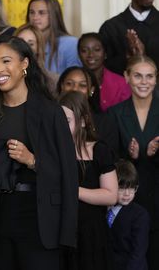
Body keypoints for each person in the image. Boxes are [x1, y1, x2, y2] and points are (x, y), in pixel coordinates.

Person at [0, 36, 78, 270]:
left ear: (24, 64)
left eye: (5, 61)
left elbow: (68, 174)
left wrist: (32, 160)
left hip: (39, 219)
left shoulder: (50, 112)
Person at [108, 55, 159, 269]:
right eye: (138, 76)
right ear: (126, 77)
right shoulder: (114, 113)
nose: (144, 82)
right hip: (128, 203)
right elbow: (108, 159)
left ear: (156, 80)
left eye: (149, 76)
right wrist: (131, 156)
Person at [58, 91, 118, 270]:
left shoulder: (99, 151)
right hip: (61, 231)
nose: (60, 126)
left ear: (83, 120)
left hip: (92, 234)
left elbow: (110, 195)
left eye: (66, 121)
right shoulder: (54, 151)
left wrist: (73, 190)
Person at [57, 66, 119, 154]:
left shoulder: (106, 123)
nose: (74, 89)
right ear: (61, 86)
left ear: (92, 90)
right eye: (69, 84)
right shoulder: (50, 118)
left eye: (82, 85)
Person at [98, 0, 159, 77]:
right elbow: (103, 68)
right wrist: (128, 57)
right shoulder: (111, 27)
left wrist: (143, 57)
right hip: (121, 89)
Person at [108, 159, 149, 270]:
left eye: (132, 188)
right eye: (122, 188)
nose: (127, 194)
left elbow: (138, 252)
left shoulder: (140, 215)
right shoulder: (106, 208)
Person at [26, 0, 81, 74]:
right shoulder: (24, 40)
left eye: (41, 13)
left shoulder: (70, 44)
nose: (35, 17)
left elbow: (75, 78)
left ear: (53, 15)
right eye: (32, 12)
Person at [78, 33, 131, 112]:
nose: (91, 55)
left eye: (97, 50)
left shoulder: (121, 83)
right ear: (79, 55)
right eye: (84, 51)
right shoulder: (72, 81)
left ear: (105, 54)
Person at [14, 23, 58, 94]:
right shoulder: (5, 77)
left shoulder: (52, 82)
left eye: (31, 44)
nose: (25, 47)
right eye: (20, 42)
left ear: (38, 48)